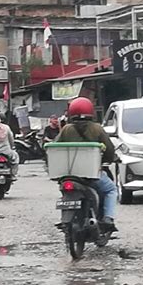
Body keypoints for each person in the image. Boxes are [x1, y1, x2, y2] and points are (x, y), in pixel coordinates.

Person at [57, 97, 117, 228]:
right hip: (91, 174)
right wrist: (111, 158)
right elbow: (109, 150)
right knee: (111, 190)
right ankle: (108, 218)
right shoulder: (97, 129)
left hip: (70, 174)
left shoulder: (66, 129)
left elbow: (55, 147)